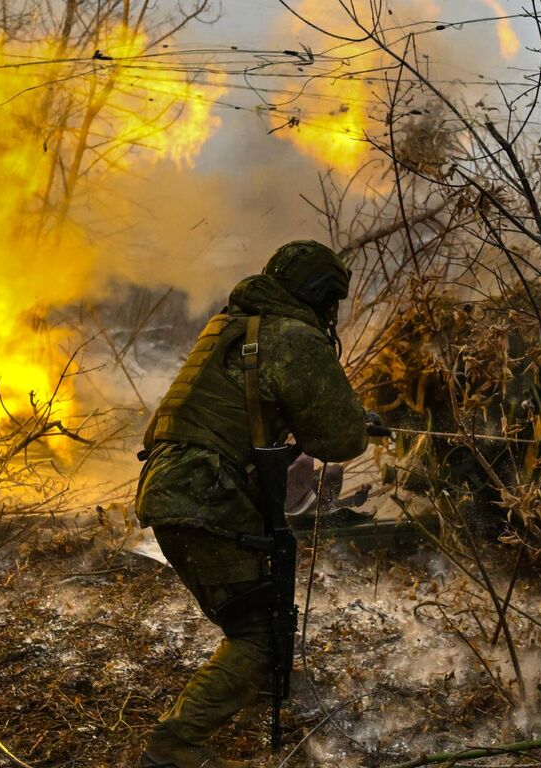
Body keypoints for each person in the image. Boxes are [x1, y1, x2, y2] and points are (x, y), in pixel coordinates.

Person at [133, 240, 367, 768]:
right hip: (205, 495)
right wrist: (350, 420)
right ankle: (176, 746)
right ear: (319, 296)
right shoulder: (293, 337)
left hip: (177, 487)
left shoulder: (232, 326)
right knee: (258, 633)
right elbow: (341, 439)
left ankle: (265, 689)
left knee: (260, 604)